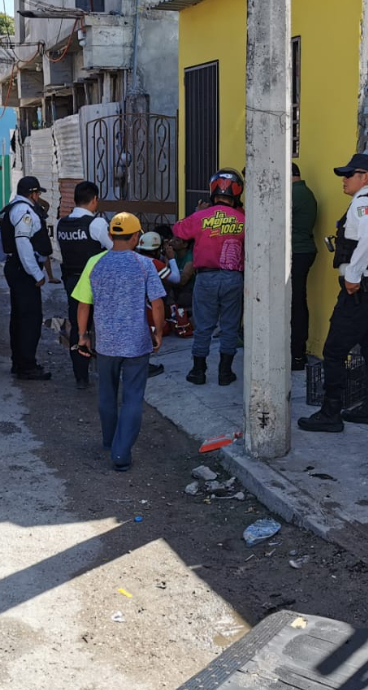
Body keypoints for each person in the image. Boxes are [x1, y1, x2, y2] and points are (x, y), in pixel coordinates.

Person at [299, 153, 368, 433]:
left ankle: (331, 412)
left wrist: (354, 276)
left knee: (333, 350)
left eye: (348, 175)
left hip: (361, 288)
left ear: (364, 177)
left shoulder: (363, 204)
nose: (343, 180)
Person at [74, 212, 166, 472]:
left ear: (112, 235)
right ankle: (121, 454)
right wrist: (158, 332)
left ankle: (108, 441)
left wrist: (83, 335)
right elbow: (157, 303)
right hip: (136, 343)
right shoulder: (144, 264)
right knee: (133, 397)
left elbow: (83, 304)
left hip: (105, 343)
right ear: (136, 236)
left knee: (106, 393)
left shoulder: (95, 262)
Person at [171, 169, 245, 386]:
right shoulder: (243, 218)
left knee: (204, 326)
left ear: (213, 189)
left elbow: (178, 231)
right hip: (233, 278)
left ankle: (198, 371)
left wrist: (197, 211)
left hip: (205, 278)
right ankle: (225, 373)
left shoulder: (200, 217)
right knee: (230, 326)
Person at [55, 180, 112, 389]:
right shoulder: (96, 224)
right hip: (96, 281)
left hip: (72, 280)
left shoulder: (62, 223)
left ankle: (81, 375)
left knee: (78, 326)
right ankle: (107, 369)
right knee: (103, 324)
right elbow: (115, 248)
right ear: (94, 199)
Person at [0, 175, 54, 380]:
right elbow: (23, 243)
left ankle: (20, 362)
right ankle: (27, 366)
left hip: (16, 268)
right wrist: (36, 273)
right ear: (32, 193)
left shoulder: (12, 209)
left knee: (20, 318)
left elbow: (2, 243)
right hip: (24, 271)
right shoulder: (24, 211)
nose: (39, 197)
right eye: (38, 193)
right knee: (30, 319)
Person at [135, 230, 181, 378]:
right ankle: (144, 366)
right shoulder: (153, 263)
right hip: (147, 303)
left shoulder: (134, 258)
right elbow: (175, 279)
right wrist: (171, 259)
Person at [290, 162, 318, 371]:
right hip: (302, 250)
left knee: (295, 304)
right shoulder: (305, 193)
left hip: (296, 253)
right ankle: (297, 352)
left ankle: (297, 354)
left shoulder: (293, 195)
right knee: (297, 302)